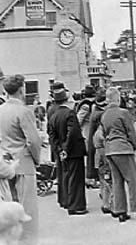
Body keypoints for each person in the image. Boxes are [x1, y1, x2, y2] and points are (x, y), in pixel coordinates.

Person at [101, 87, 136, 222]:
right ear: (118, 99)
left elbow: (104, 134)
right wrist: (135, 146)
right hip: (123, 148)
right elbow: (130, 131)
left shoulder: (104, 115)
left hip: (110, 150)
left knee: (117, 181)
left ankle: (120, 211)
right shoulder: (123, 113)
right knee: (133, 180)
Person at [0, 75, 42, 245]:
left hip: (5, 161)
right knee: (27, 208)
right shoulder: (24, 112)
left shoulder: (0, 110)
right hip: (23, 162)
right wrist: (36, 159)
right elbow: (33, 140)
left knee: (9, 208)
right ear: (21, 90)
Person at [47, 83, 88, 215]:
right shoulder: (69, 113)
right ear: (66, 100)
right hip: (73, 151)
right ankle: (76, 206)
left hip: (60, 152)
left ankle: (65, 201)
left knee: (64, 176)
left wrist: (58, 149)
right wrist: (66, 149)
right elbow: (73, 132)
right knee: (75, 179)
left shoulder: (53, 115)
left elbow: (51, 135)